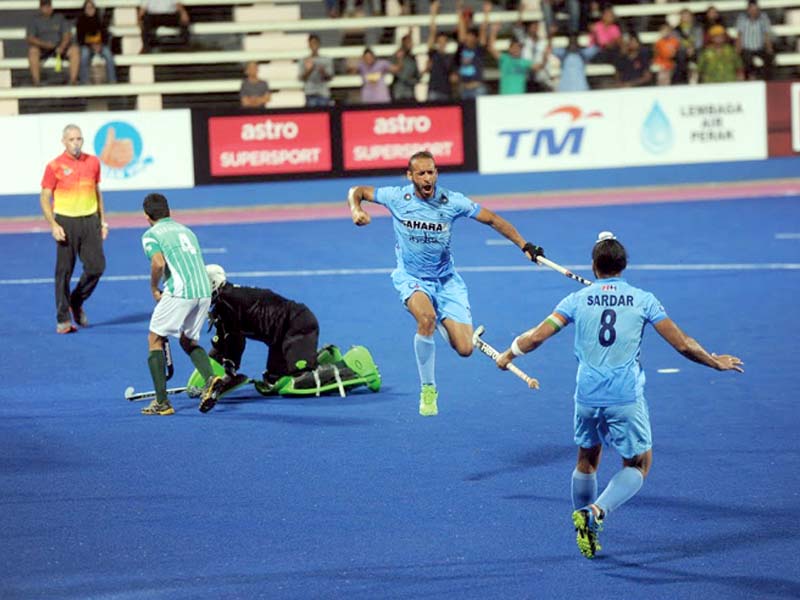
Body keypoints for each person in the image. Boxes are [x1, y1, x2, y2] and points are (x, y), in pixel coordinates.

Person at [496, 232, 744, 559]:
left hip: (586, 396)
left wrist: (508, 355)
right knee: (639, 464)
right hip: (624, 397)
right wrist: (714, 362)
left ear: (593, 266)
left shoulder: (576, 300)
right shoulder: (643, 300)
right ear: (623, 265)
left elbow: (536, 337)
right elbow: (683, 344)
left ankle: (581, 526)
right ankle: (596, 513)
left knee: (587, 460)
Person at [347, 150, 544, 417]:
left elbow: (493, 220)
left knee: (464, 349)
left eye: (431, 172)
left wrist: (525, 245)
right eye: (421, 173)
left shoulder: (452, 201)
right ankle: (428, 389)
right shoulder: (396, 197)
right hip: (412, 278)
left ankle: (442, 318)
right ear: (410, 176)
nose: (427, 178)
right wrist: (356, 209)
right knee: (425, 318)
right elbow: (357, 190)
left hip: (447, 281)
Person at [193, 265, 382, 412]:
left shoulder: (227, 302)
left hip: (297, 326)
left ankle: (357, 366)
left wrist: (227, 372)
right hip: (280, 337)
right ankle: (324, 358)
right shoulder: (225, 303)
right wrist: (217, 374)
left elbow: (232, 340)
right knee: (274, 382)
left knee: (295, 382)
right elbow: (228, 341)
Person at [139, 193, 216, 416]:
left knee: (155, 338)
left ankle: (162, 403)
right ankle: (211, 379)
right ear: (168, 211)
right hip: (203, 290)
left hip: (181, 291)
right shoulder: (186, 231)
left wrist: (154, 288)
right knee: (187, 340)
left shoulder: (151, 234)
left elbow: (158, 262)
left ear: (147, 216)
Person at [40, 124, 107, 334]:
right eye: (71, 139)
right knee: (64, 271)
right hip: (66, 222)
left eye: (79, 139)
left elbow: (97, 192)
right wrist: (53, 224)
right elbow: (44, 197)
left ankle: (76, 301)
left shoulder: (93, 162)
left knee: (97, 267)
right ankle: (63, 319)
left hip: (90, 220)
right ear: (64, 142)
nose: (76, 143)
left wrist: (102, 221)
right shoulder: (54, 166)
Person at [26, 0, 80, 86]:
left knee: (75, 50)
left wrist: (62, 46)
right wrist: (45, 44)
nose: (47, 9)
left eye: (49, 6)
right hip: (42, 48)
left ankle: (73, 81)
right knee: (32, 51)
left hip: (58, 47)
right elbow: (30, 38)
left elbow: (67, 35)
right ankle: (36, 82)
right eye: (45, 6)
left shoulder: (59, 18)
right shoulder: (34, 20)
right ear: (40, 8)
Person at [453, 0, 490, 99]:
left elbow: (483, 30)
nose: (468, 38)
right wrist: (459, 8)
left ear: (475, 38)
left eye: (471, 37)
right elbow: (461, 29)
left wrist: (486, 12)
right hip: (464, 90)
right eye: (467, 36)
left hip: (477, 89)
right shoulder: (462, 47)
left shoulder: (479, 49)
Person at [487, 23, 535, 95]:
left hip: (520, 98)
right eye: (514, 47)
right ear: (509, 49)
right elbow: (491, 48)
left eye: (518, 48)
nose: (516, 50)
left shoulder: (524, 62)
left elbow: (538, 67)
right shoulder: (505, 58)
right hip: (505, 97)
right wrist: (494, 31)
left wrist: (545, 57)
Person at [76, 0, 117, 84]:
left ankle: (112, 80)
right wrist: (91, 45)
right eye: (88, 8)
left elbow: (105, 35)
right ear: (84, 9)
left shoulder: (100, 20)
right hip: (87, 46)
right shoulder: (80, 22)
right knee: (84, 54)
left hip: (100, 46)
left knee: (108, 53)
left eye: (92, 7)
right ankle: (84, 81)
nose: (90, 9)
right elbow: (80, 39)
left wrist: (100, 45)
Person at [735, 0, 774, 80]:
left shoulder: (763, 17)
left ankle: (767, 79)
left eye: (755, 10)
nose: (753, 12)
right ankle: (750, 78)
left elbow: (766, 34)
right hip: (747, 49)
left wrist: (769, 48)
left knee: (770, 58)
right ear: (748, 10)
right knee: (746, 60)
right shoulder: (742, 18)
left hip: (760, 48)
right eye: (751, 9)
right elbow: (739, 35)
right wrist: (737, 50)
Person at [425, 0, 454, 102]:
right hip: (434, 91)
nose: (442, 43)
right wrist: (433, 13)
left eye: (444, 41)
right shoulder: (433, 54)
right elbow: (432, 32)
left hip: (446, 92)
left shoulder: (450, 57)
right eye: (440, 41)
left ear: (446, 42)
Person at [300, 34, 334, 107]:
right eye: (311, 43)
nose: (313, 45)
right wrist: (309, 70)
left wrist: (322, 72)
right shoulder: (304, 60)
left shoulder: (326, 60)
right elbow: (301, 78)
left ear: (319, 44)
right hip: (310, 93)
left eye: (315, 43)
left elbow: (330, 77)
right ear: (309, 45)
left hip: (323, 93)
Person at [391, 33, 420, 102]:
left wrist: (414, 80)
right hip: (398, 92)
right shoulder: (396, 56)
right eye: (408, 42)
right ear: (403, 43)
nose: (410, 44)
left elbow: (417, 75)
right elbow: (396, 72)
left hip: (410, 93)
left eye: (411, 42)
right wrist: (399, 60)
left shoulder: (413, 58)